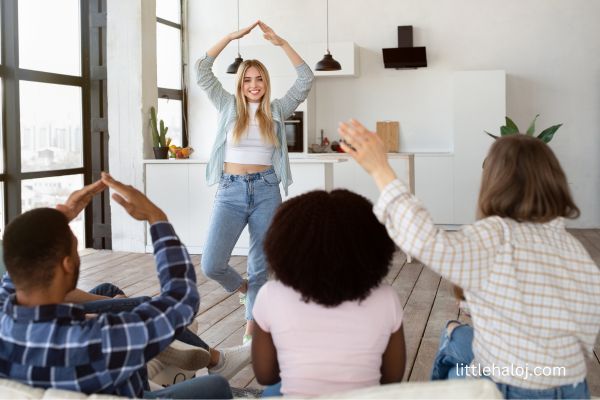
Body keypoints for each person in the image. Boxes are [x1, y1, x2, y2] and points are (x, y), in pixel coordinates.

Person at [338, 120, 600, 399]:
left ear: (495, 182)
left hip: (511, 387)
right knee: (459, 335)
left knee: (452, 344)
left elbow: (424, 239)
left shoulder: (496, 236)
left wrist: (380, 169)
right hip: (573, 387)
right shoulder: (572, 248)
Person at [0, 173, 232, 399]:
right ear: (67, 264)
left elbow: (15, 273)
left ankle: (154, 356)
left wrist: (59, 220)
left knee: (119, 315)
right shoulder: (101, 340)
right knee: (216, 387)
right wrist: (157, 218)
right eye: (75, 249)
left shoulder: (4, 322)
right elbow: (180, 302)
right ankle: (158, 354)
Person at [195, 20, 314, 343]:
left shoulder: (277, 109)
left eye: (259, 78)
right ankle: (244, 289)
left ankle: (251, 335)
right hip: (230, 190)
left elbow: (306, 79)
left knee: (261, 265)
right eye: (247, 79)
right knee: (211, 263)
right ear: (240, 83)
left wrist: (282, 42)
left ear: (266, 82)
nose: (253, 84)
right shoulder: (226, 105)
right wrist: (230, 37)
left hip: (266, 190)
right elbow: (202, 70)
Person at [251, 189, 406, 397]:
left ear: (284, 243)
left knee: (271, 391)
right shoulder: (387, 297)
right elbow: (392, 379)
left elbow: (265, 376)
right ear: (373, 245)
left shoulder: (270, 295)